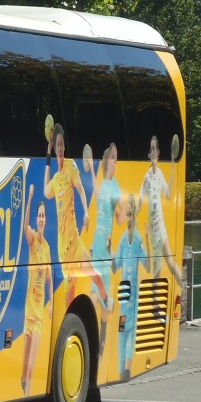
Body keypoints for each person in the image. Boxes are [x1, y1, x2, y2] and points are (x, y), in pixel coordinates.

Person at [44, 123, 109, 314]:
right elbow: (45, 191)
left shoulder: (71, 166)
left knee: (95, 274)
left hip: (74, 240)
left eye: (62, 144)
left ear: (65, 146)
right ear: (54, 148)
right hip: (63, 248)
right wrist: (47, 157)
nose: (60, 149)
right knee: (68, 294)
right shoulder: (55, 179)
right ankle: (70, 320)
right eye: (57, 145)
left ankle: (107, 302)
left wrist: (87, 212)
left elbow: (81, 189)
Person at [88, 143, 123, 354]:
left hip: (105, 249)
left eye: (116, 158)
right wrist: (92, 170)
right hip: (96, 245)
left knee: (101, 297)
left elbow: (123, 208)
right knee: (95, 293)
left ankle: (100, 339)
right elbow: (98, 191)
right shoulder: (104, 184)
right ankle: (97, 340)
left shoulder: (116, 186)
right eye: (111, 157)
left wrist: (119, 218)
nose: (114, 161)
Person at [113, 195, 149, 380]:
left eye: (128, 215)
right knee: (128, 331)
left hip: (124, 294)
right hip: (129, 293)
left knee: (123, 331)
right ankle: (125, 368)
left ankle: (122, 369)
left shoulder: (126, 239)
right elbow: (148, 265)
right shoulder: (136, 239)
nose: (128, 219)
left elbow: (115, 266)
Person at [139, 135, 184, 287]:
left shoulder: (160, 175)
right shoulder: (147, 177)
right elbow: (140, 200)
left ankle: (185, 289)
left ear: (158, 152)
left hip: (160, 226)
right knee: (157, 270)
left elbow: (169, 194)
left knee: (170, 262)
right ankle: (156, 304)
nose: (152, 152)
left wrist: (172, 166)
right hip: (152, 230)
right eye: (150, 150)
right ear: (149, 154)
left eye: (154, 149)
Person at [22, 184, 53, 396]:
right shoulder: (33, 241)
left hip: (39, 316)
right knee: (24, 370)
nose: (41, 219)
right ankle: (24, 383)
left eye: (43, 216)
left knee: (32, 368)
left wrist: (50, 303)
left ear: (46, 220)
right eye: (38, 216)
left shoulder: (47, 247)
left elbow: (51, 277)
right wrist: (30, 198)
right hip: (28, 315)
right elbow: (24, 226)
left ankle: (28, 397)